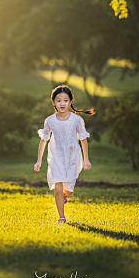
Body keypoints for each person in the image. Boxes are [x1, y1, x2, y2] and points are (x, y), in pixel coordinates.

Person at [34, 84, 95, 224]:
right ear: (53, 102)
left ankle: (64, 195)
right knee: (57, 185)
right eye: (59, 100)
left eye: (66, 100)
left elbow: (83, 139)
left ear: (70, 102)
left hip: (73, 157)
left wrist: (87, 160)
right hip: (55, 156)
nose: (62, 103)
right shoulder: (49, 120)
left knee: (69, 189)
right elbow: (43, 140)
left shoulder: (77, 120)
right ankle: (61, 217)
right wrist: (39, 161)